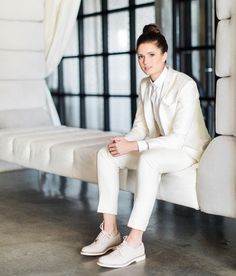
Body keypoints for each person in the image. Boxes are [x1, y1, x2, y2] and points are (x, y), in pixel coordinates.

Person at [80, 24, 211, 268]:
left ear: (164, 55)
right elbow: (140, 127)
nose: (145, 61)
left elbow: (178, 139)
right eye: (140, 56)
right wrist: (124, 142)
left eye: (151, 55)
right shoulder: (144, 85)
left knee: (148, 160)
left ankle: (134, 243)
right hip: (156, 145)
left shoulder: (185, 85)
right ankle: (110, 232)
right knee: (106, 154)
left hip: (186, 150)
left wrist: (136, 146)